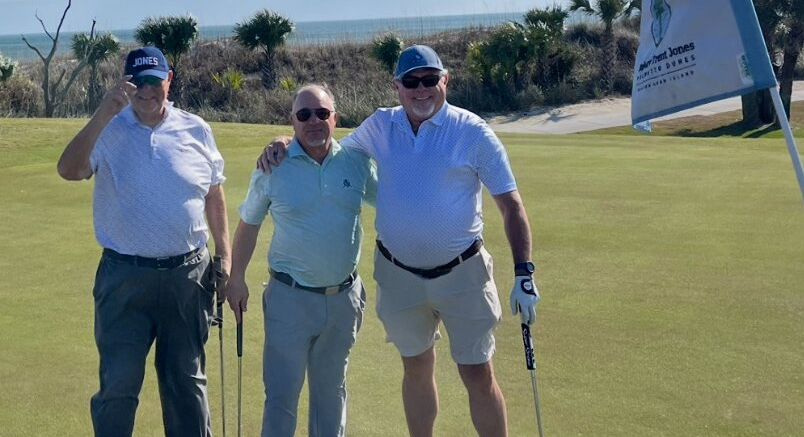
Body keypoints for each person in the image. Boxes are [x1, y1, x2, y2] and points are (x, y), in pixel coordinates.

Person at [258, 45, 540, 437]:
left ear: (445, 81)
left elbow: (512, 206)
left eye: (429, 80)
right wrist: (284, 140)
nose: (421, 89)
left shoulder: (473, 132)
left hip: (463, 272)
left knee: (477, 371)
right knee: (417, 368)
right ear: (398, 86)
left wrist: (524, 272)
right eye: (411, 82)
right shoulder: (380, 125)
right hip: (400, 276)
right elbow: (324, 144)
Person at [57, 45, 231, 437]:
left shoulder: (196, 128)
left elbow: (214, 195)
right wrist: (103, 113)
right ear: (126, 84)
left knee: (186, 384)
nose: (147, 90)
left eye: (155, 81)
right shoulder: (108, 128)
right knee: (118, 386)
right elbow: (69, 169)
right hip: (124, 278)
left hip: (188, 277)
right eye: (138, 82)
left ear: (169, 80)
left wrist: (226, 256)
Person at [226, 84, 377, 437]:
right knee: (281, 397)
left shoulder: (356, 162)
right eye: (304, 115)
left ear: (335, 119)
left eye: (322, 113)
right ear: (292, 120)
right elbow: (248, 225)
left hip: (343, 300)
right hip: (288, 299)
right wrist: (236, 278)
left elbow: (393, 203)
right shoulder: (272, 166)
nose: (314, 121)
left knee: (331, 396)